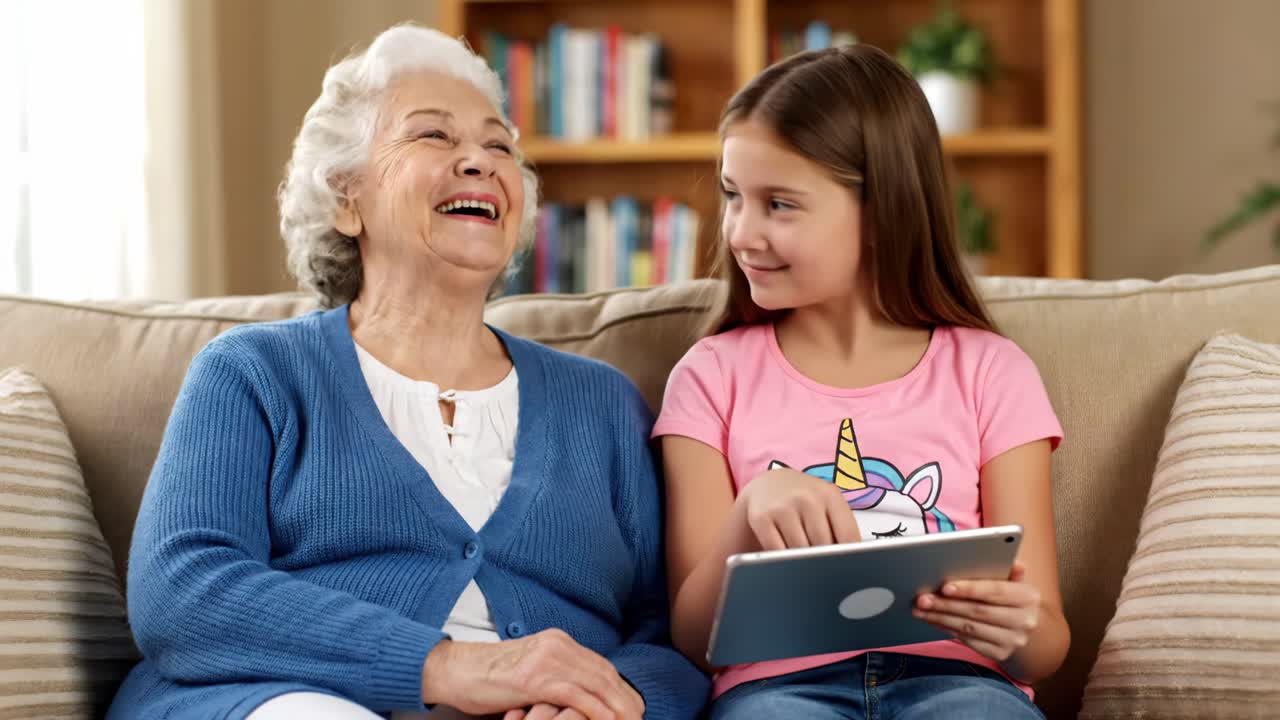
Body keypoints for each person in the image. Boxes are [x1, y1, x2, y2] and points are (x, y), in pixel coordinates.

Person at [108, 24, 707, 720]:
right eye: (434, 136)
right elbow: (182, 589)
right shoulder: (253, 375)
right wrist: (446, 667)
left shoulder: (602, 404)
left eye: (499, 145)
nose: (479, 161)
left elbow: (673, 640)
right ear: (345, 197)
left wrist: (612, 699)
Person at [654, 44, 1068, 719]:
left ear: (881, 213)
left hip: (962, 686)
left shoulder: (992, 371)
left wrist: (1021, 632)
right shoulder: (710, 377)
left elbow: (1045, 644)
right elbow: (696, 641)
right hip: (777, 693)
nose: (740, 233)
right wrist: (749, 511)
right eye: (733, 196)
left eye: (779, 204)